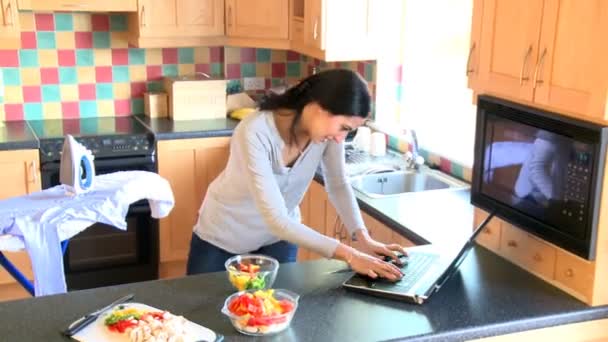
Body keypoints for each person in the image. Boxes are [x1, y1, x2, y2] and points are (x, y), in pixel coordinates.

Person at [186, 69, 404, 281]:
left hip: (280, 239)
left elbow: (338, 184)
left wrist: (362, 237)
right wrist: (350, 254)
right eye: (343, 127)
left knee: (276, 311)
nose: (341, 138)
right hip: (223, 236)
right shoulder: (255, 132)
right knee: (203, 313)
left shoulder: (327, 136)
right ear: (318, 107)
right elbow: (276, 220)